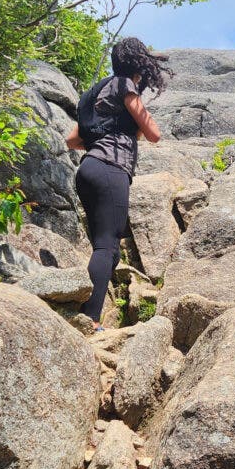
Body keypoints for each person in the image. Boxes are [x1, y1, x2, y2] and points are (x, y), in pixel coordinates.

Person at [65, 37, 171, 330]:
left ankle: (90, 313)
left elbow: (73, 140)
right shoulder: (126, 85)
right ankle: (90, 320)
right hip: (111, 170)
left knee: (107, 249)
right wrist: (133, 125)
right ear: (140, 64)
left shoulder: (94, 93)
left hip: (88, 170)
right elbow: (153, 133)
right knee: (107, 246)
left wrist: (112, 131)